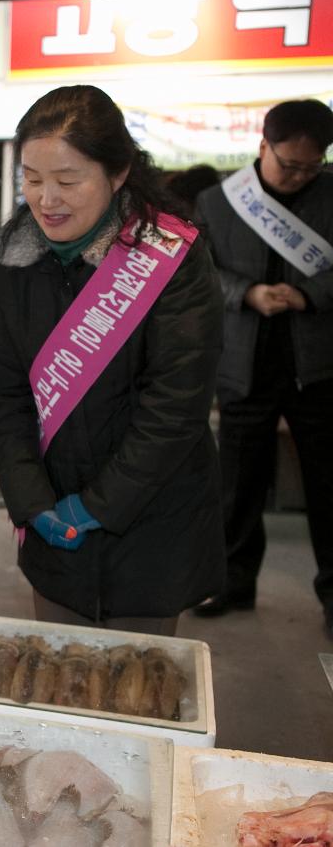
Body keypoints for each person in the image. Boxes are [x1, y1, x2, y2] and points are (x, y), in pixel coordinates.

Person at [0, 85, 225, 636]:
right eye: (32, 179)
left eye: (67, 180)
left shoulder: (172, 257)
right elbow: (3, 393)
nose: (46, 199)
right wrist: (30, 499)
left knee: (141, 686)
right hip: (51, 516)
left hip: (152, 518)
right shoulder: (5, 260)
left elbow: (176, 406)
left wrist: (98, 507)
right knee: (60, 674)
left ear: (117, 175)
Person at [192, 99, 333, 636]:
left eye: (310, 167)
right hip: (244, 362)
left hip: (317, 367)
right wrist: (246, 292)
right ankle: (231, 582)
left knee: (327, 486)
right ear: (262, 148)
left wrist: (308, 295)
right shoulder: (219, 201)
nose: (298, 176)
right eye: (287, 164)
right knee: (238, 484)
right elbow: (201, 271)